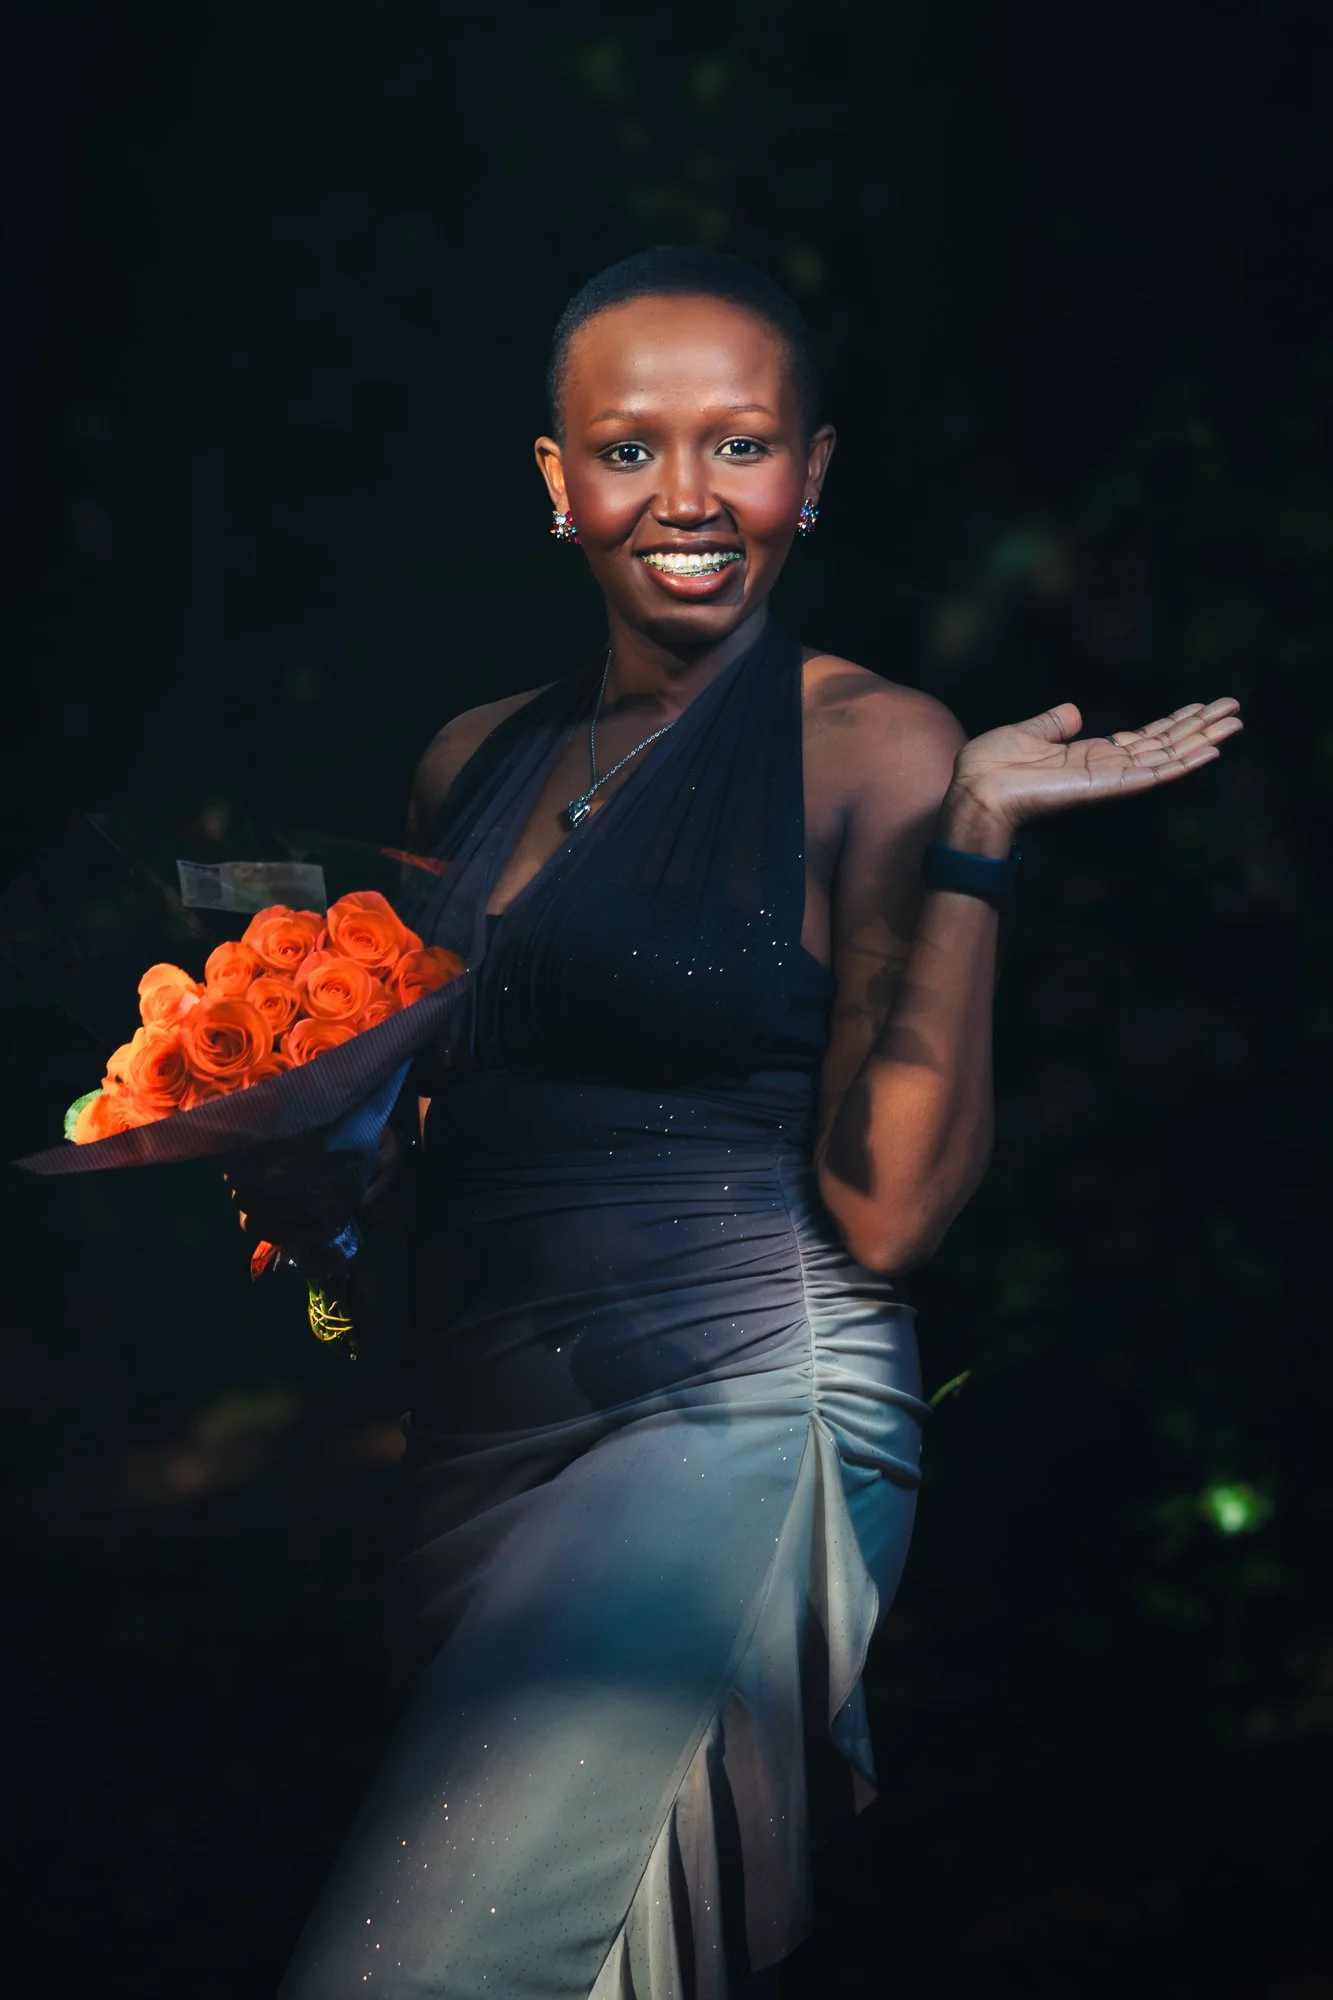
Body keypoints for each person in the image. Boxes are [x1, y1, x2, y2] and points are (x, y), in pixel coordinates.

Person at [263, 248, 1242, 1998]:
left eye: (744, 442)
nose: (691, 498)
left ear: (816, 470)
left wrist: (979, 837)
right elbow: (427, 1131)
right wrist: (275, 1134)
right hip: (488, 1435)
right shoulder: (467, 762)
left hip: (731, 1407)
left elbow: (891, 1213)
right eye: (633, 450)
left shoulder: (878, 744)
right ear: (557, 484)